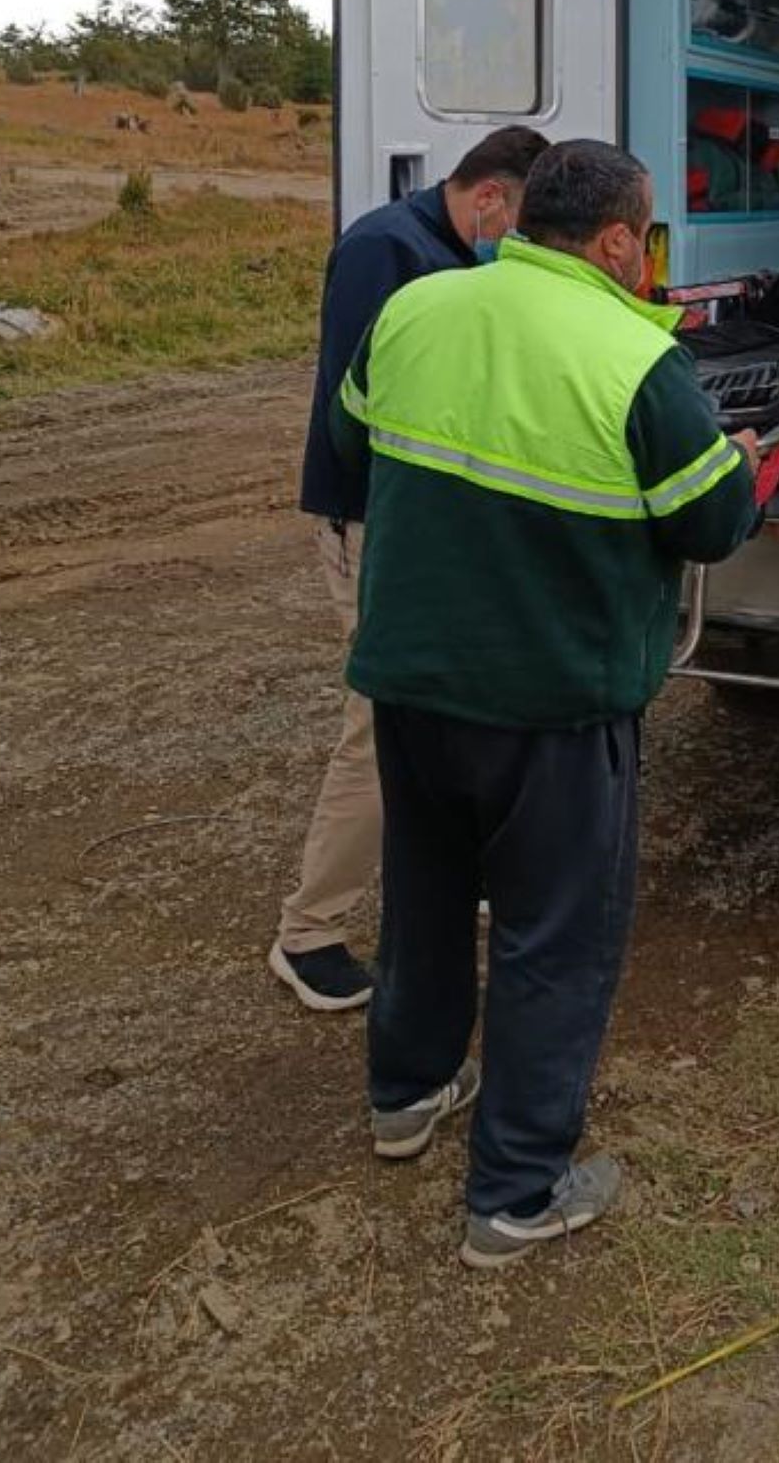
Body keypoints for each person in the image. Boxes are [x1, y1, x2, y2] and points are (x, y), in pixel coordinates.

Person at [329, 140, 760, 1265]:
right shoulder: (634, 356)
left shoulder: (418, 308)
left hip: (414, 683)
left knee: (423, 901)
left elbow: (351, 437)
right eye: (648, 232)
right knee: (553, 936)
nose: (647, 253)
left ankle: (406, 1094)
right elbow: (710, 523)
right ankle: (515, 1190)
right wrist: (740, 460)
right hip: (553, 702)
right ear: (616, 240)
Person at [268, 126, 550, 1011]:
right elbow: (371, 403)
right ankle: (309, 932)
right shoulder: (383, 249)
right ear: (493, 196)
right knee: (380, 723)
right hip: (376, 526)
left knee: (445, 714)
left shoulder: (456, 254)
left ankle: (443, 877)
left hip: (432, 529)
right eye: (522, 225)